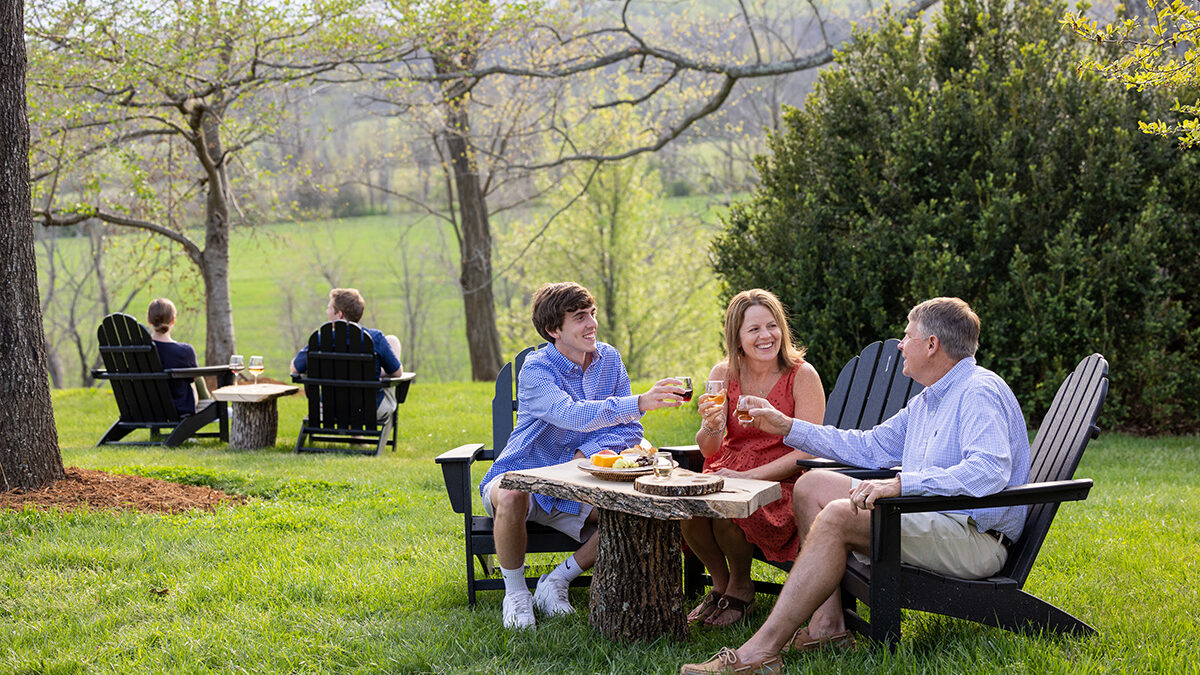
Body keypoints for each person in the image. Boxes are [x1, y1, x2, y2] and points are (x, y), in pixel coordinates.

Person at [680, 297, 1031, 674]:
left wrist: (902, 485)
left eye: (907, 335)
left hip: (974, 539)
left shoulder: (978, 391)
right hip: (932, 522)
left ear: (932, 345)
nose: (900, 344)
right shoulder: (930, 398)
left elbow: (989, 470)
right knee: (812, 485)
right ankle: (827, 625)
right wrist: (786, 426)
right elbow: (870, 446)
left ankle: (758, 653)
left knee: (836, 516)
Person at [479, 281, 687, 630]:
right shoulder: (536, 369)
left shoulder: (610, 360)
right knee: (513, 493)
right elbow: (570, 413)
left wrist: (582, 453)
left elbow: (629, 432)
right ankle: (516, 594)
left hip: (577, 485)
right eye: (579, 317)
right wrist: (638, 402)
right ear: (553, 329)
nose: (591, 323)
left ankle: (556, 581)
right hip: (525, 474)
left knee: (632, 513)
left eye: (592, 314)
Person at [683, 289, 825, 627]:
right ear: (738, 337)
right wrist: (712, 425)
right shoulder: (724, 374)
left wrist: (751, 478)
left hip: (782, 481)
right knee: (687, 511)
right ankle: (720, 585)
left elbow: (807, 449)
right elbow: (709, 449)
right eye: (754, 329)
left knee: (727, 512)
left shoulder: (802, 376)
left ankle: (742, 587)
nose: (766, 336)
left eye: (772, 326)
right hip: (727, 469)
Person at [289, 288, 403, 422]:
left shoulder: (320, 340)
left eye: (329, 308)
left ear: (340, 314)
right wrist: (376, 373)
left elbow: (294, 369)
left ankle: (356, 435)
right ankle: (356, 434)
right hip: (369, 410)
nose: (327, 312)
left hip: (329, 410)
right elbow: (397, 373)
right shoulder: (375, 338)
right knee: (393, 341)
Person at [147, 298, 203, 416]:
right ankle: (207, 402)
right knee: (197, 374)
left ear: (149, 320)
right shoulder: (184, 351)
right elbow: (194, 379)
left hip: (146, 407)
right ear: (173, 320)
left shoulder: (138, 350)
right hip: (178, 407)